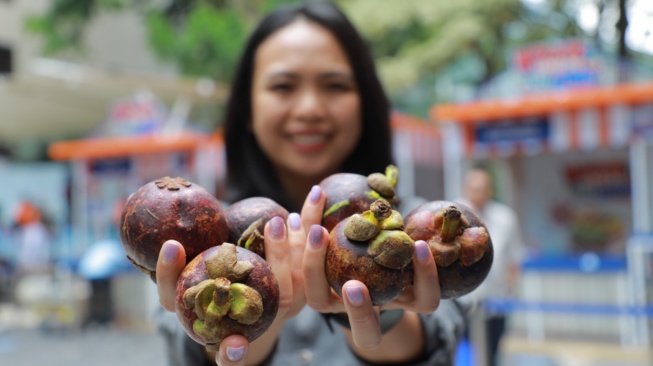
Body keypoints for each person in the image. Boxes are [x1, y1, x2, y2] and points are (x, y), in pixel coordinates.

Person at [154, 2, 469, 365]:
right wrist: (242, 326)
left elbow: (437, 336)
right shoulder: (198, 239)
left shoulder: (423, 232)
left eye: (334, 85)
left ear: (365, 104)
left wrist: (383, 307)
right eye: (283, 85)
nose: (309, 108)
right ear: (247, 112)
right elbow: (188, 351)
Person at [458, 165, 525, 366]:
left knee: (492, 352)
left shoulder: (505, 217)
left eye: (483, 188)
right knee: (463, 353)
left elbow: (515, 257)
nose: (478, 193)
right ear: (465, 188)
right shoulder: (451, 213)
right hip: (462, 301)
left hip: (496, 300)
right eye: (474, 188)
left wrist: (511, 291)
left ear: (490, 190)